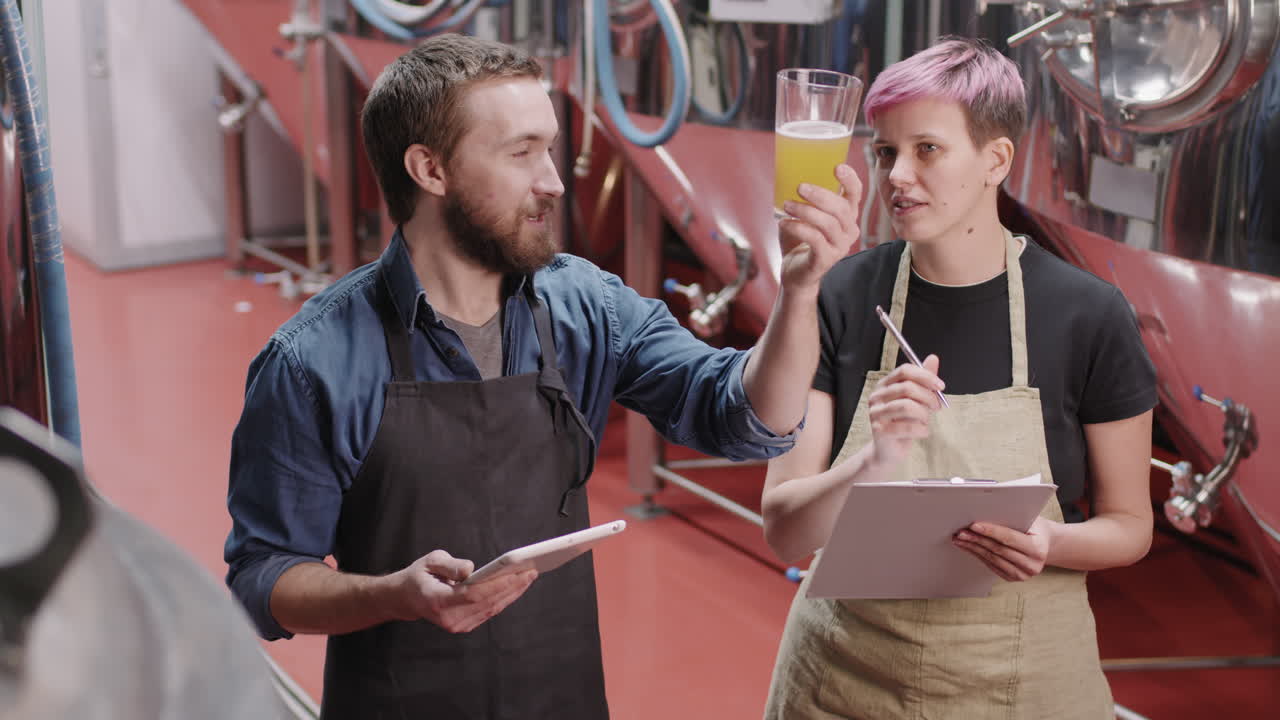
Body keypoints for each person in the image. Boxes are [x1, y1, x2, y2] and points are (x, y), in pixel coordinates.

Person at [223, 33, 861, 720]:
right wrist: (392, 595)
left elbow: (745, 418)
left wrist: (801, 289)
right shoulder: (313, 360)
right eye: (521, 152)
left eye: (550, 148)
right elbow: (264, 577)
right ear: (430, 170)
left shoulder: (585, 306)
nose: (554, 181)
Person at [761, 37, 1156, 719]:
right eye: (885, 151)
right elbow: (785, 530)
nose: (897, 175)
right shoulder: (839, 295)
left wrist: (1051, 542)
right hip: (845, 679)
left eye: (927, 149)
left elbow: (1130, 526)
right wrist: (873, 461)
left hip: (1022, 685)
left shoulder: (1088, 315)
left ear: (996, 160)